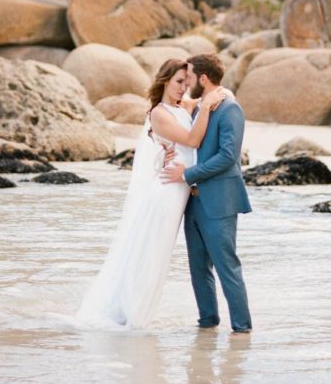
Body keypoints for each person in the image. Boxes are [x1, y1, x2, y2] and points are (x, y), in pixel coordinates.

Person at [77, 58, 225, 329]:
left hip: (181, 189)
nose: (183, 88)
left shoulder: (182, 106)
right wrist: (205, 106)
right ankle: (134, 315)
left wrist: (215, 95)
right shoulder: (159, 113)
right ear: (165, 80)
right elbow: (192, 140)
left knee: (160, 255)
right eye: (179, 82)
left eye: (187, 82)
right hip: (167, 193)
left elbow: (216, 97)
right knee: (152, 253)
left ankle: (138, 311)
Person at [162, 53, 252, 335]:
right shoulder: (199, 106)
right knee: (198, 269)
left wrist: (187, 175)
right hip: (193, 202)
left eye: (188, 77)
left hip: (220, 202)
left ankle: (241, 329)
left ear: (202, 78)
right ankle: (207, 324)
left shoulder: (230, 109)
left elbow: (228, 156)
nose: (185, 83)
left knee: (227, 268)